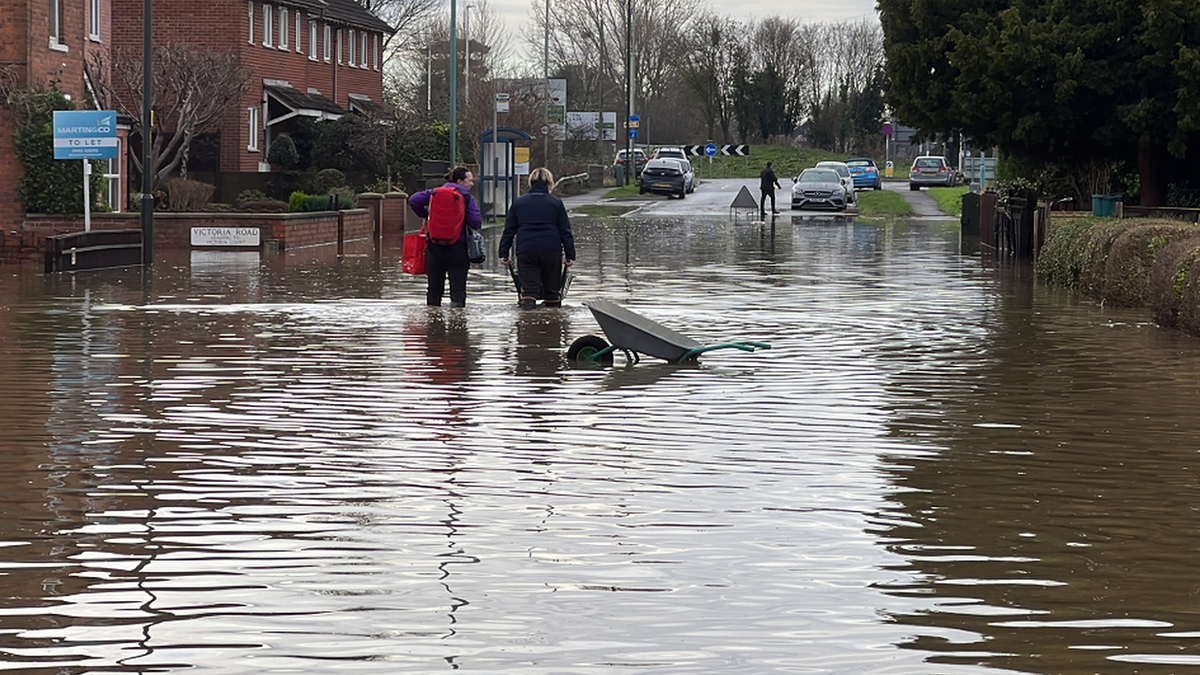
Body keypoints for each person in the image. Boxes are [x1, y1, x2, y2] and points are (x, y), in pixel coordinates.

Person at [499, 167, 576, 310]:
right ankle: (553, 325)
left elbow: (509, 230)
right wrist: (570, 255)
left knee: (529, 290)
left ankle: (527, 323)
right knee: (552, 291)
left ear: (531, 182)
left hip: (526, 249)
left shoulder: (518, 203)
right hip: (551, 249)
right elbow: (565, 230)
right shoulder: (556, 203)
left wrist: (504, 253)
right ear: (550, 183)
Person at [408, 167, 482, 307]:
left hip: (434, 248)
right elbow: (476, 222)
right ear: (460, 181)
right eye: (470, 180)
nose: (472, 184)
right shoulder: (467, 198)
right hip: (458, 249)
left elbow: (413, 200)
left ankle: (433, 323)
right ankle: (458, 324)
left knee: (434, 290)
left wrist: (426, 215)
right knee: (458, 290)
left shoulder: (434, 193)